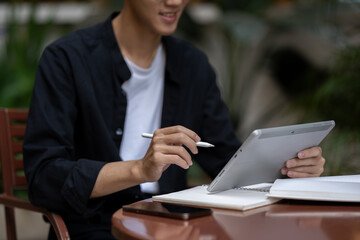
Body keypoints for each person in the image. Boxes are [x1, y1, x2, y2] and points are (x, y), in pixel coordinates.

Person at [23, 0, 325, 239]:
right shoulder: (67, 59)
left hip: (173, 225)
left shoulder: (192, 65)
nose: (174, 1)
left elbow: (226, 161)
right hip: (95, 227)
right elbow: (44, 178)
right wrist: (140, 169)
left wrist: (289, 169)